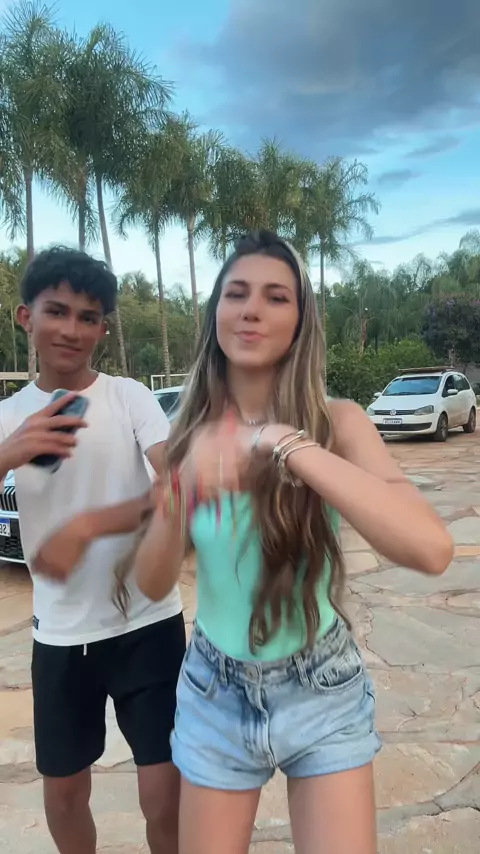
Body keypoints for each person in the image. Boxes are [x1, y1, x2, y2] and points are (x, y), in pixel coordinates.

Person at [125, 230, 454, 854]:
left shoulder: (339, 423)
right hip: (215, 690)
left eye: (276, 297)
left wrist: (282, 441)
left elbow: (431, 549)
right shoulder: (186, 434)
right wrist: (180, 489)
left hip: (322, 684)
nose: (251, 309)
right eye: (236, 293)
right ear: (215, 313)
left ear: (300, 320)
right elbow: (151, 581)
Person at [0, 247, 184, 854]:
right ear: (25, 317)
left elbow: (178, 484)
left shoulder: (128, 397)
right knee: (63, 797)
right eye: (57, 311)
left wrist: (86, 527)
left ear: (103, 328)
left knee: (165, 797)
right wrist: (10, 451)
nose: (71, 329)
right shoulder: (8, 416)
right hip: (61, 636)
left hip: (149, 626)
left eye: (88, 317)